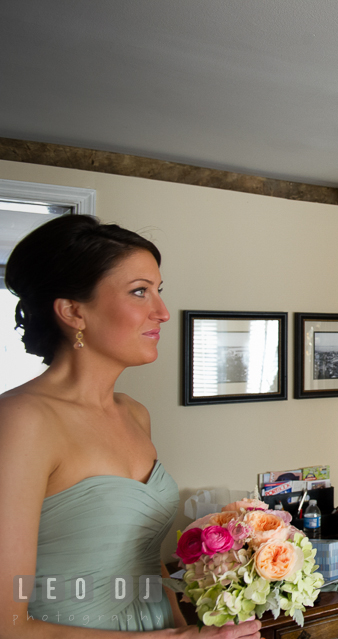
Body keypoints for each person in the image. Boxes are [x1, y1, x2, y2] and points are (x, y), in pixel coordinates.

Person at [0, 214, 261, 639]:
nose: (161, 312)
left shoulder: (135, 414)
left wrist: (187, 630)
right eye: (140, 292)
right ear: (72, 311)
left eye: (159, 292)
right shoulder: (21, 422)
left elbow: (147, 565)